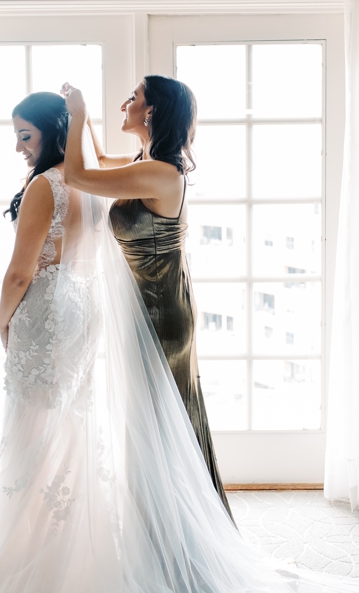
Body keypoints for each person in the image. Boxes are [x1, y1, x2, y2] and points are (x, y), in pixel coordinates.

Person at [0, 90, 359, 592]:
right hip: (84, 307)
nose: (18, 147)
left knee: (39, 427)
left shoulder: (72, 183)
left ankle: (92, 536)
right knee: (73, 427)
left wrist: (1, 320)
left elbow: (20, 273)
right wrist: (78, 123)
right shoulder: (91, 183)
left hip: (68, 310)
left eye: (25, 135)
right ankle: (87, 530)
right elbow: (86, 172)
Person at [60, 75, 231, 518]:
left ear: (151, 111)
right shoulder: (146, 160)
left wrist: (78, 112)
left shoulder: (160, 173)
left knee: (164, 418)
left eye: (132, 98)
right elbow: (95, 158)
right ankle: (157, 522)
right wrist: (81, 115)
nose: (124, 105)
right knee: (154, 419)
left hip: (160, 312)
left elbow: (79, 176)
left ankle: (181, 525)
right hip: (153, 304)